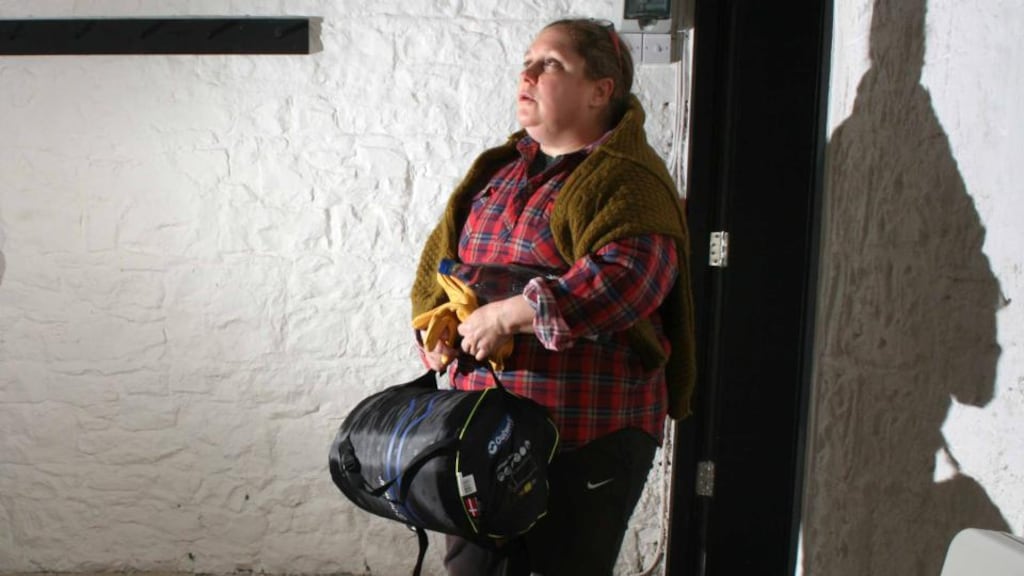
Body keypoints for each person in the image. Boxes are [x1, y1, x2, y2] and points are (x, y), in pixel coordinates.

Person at [410, 17, 696, 576]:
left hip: (587, 435)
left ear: (600, 90)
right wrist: (435, 328)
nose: (529, 74)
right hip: (482, 429)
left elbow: (628, 280)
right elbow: (438, 270)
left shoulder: (629, 180)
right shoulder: (496, 172)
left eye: (551, 64)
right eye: (527, 62)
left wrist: (507, 315)